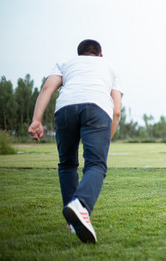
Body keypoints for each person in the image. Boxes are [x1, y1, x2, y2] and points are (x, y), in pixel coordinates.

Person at [28, 39, 123, 243]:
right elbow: (116, 110)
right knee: (96, 164)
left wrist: (36, 120)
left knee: (67, 164)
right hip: (97, 108)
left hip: (65, 108)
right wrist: (107, 138)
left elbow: (47, 88)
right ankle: (80, 205)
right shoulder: (108, 67)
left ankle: (73, 223)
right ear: (100, 55)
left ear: (79, 54)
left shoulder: (66, 63)